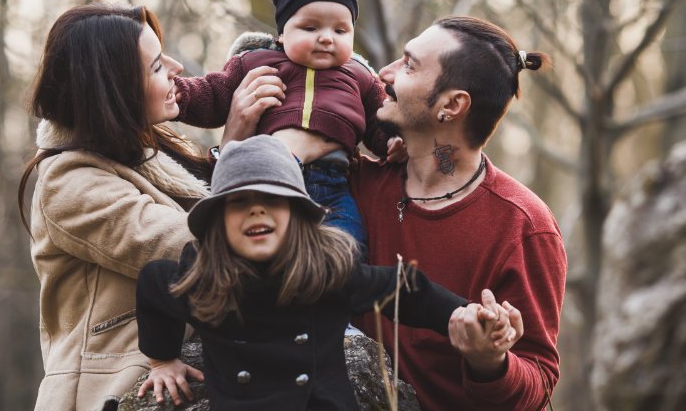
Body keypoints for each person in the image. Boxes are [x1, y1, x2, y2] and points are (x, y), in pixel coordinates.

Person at [17, 1, 284, 411]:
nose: (176, 67)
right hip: (110, 391)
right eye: (157, 66)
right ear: (113, 89)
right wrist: (234, 147)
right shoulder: (69, 184)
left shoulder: (150, 149)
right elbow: (191, 245)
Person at [134, 135, 502, 410]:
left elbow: (407, 289)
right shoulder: (202, 277)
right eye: (239, 203)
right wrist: (162, 359)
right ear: (217, 220)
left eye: (273, 200)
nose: (256, 212)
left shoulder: (327, 273)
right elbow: (154, 283)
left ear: (298, 214)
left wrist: (461, 312)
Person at [349, 16, 567, 411]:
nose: (384, 73)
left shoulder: (524, 227)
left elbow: (540, 382)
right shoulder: (353, 183)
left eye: (409, 64)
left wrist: (490, 360)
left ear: (451, 105)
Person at [173, 0, 397, 257]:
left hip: (332, 185)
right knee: (274, 255)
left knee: (349, 246)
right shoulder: (256, 63)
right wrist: (178, 92)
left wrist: (392, 142)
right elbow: (213, 94)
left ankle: (335, 296)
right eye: (310, 27)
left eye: (341, 31)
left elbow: (378, 121)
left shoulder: (361, 78)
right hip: (269, 178)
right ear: (281, 33)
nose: (326, 37)